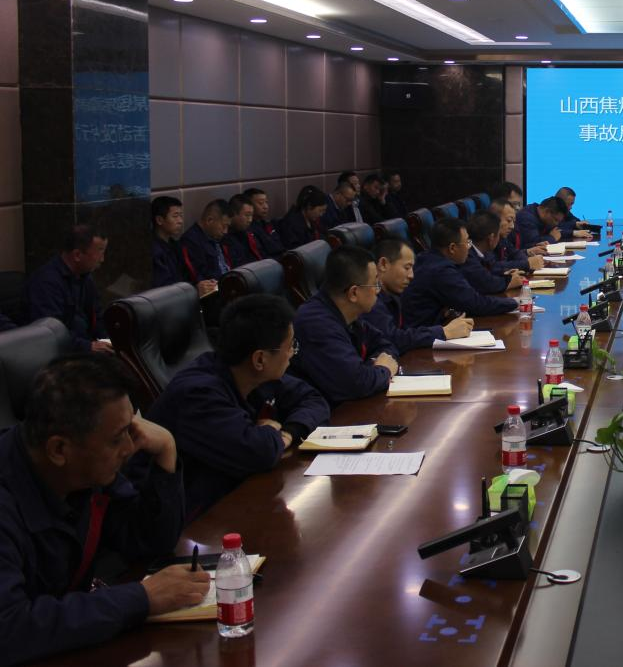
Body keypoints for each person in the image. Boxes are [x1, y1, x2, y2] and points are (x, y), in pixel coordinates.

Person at [0, 355, 211, 662]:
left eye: (130, 429)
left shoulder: (82, 469)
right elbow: (10, 628)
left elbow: (147, 542)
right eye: (116, 439)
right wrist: (141, 598)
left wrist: (167, 450)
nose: (130, 448)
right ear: (59, 449)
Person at [147, 295, 329, 517]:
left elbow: (314, 400)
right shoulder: (197, 395)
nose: (292, 353)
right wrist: (270, 434)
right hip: (191, 519)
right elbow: (259, 453)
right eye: (290, 346)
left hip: (236, 497)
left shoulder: (254, 374)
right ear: (260, 359)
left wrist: (288, 433)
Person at [290, 247, 401, 406]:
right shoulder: (316, 323)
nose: (378, 290)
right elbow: (356, 384)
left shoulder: (346, 311)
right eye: (375, 284)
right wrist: (384, 370)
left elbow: (386, 345)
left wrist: (371, 368)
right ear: (353, 293)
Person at [365, 239, 473, 354]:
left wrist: (443, 316)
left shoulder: (394, 295)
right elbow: (393, 339)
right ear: (383, 264)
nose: (411, 275)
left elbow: (408, 332)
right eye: (407, 268)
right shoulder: (370, 299)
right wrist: (444, 332)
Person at [403, 219, 520, 323]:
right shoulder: (441, 271)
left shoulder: (427, 258)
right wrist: (516, 302)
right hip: (425, 332)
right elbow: (475, 304)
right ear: (452, 248)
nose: (469, 247)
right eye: (467, 242)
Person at [26, 226, 112, 353]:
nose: (102, 259)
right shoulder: (46, 283)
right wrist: (87, 346)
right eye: (100, 252)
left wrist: (108, 340)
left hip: (86, 345)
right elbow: (51, 334)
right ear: (77, 255)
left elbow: (98, 316)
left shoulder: (85, 277)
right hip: (64, 353)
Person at [151, 196, 215, 297]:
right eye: (175, 216)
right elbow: (164, 290)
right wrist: (194, 290)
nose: (180, 221)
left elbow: (188, 274)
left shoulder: (175, 245)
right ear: (159, 220)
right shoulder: (155, 251)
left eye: (181, 216)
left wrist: (204, 284)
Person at [463, 212, 523, 294]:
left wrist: (505, 273)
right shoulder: (467, 255)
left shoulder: (482, 251)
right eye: (498, 235)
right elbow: (487, 283)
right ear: (491, 238)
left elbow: (491, 269)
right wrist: (509, 282)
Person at [490, 200, 545, 271]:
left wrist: (530, 259)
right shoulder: (487, 239)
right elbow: (493, 266)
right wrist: (527, 264)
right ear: (495, 219)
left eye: (513, 221)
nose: (512, 226)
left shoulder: (503, 238)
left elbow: (514, 253)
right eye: (509, 220)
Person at [223, 194, 264, 267]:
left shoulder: (249, 232)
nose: (250, 220)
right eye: (247, 215)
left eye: (251, 215)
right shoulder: (224, 238)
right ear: (233, 214)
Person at [243, 187, 285, 257]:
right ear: (249, 206)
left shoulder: (267, 224)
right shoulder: (249, 229)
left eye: (266, 202)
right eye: (261, 203)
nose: (265, 207)